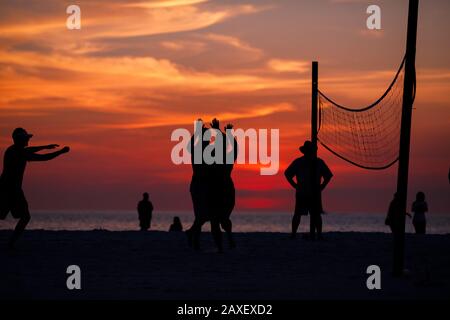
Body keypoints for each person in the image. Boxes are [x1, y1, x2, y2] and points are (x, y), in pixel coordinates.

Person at [0, 128, 70, 250]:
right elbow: (43, 158)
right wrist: (60, 152)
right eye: (26, 138)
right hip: (11, 189)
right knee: (25, 217)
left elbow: (30, 149)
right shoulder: (20, 153)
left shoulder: (12, 150)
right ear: (20, 139)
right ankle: (10, 244)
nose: (28, 140)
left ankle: (10, 244)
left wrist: (45, 146)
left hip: (6, 187)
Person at [284, 141, 333, 240]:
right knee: (300, 214)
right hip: (303, 192)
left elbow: (328, 175)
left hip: (312, 192)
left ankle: (318, 235)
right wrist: (295, 185)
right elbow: (287, 174)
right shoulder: (300, 162)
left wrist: (322, 186)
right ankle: (295, 235)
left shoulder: (318, 162)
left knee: (315, 215)